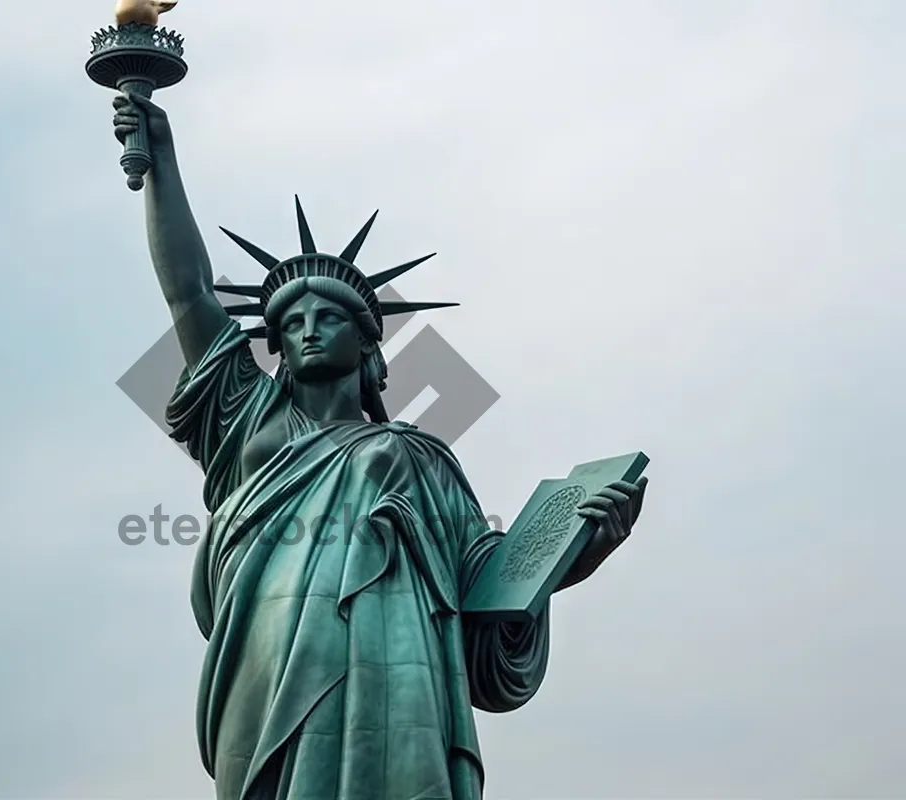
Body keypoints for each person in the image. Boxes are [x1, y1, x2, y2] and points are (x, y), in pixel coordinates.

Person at [112, 92, 648, 800]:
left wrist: (585, 547)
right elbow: (188, 295)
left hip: (398, 667)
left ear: (367, 344)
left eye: (327, 318)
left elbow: (488, 588)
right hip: (268, 651)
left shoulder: (421, 458)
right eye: (291, 321)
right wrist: (164, 163)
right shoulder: (249, 419)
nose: (306, 329)